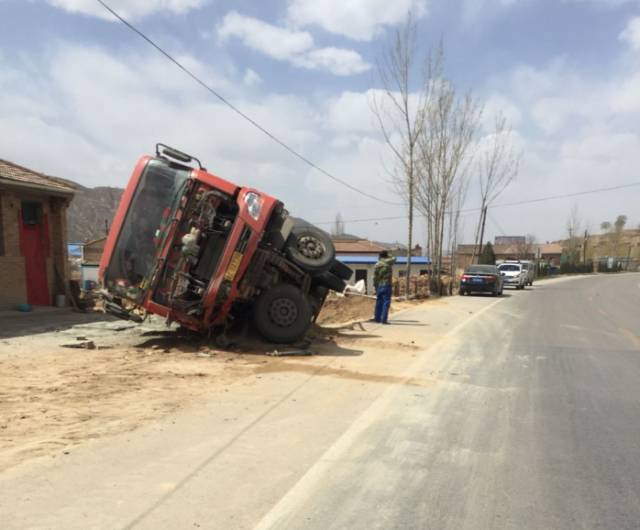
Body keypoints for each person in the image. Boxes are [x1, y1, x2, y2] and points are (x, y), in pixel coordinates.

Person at [373, 250, 396, 324]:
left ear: (379, 256)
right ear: (386, 256)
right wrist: (388, 255)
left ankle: (377, 318)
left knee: (379, 302)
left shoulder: (377, 264)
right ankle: (383, 319)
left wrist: (375, 286)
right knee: (386, 302)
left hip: (379, 285)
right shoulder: (388, 262)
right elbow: (394, 258)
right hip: (387, 284)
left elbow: (375, 278)